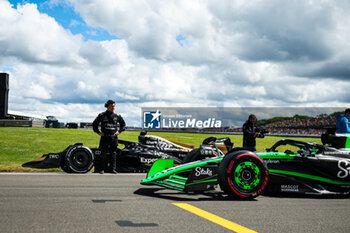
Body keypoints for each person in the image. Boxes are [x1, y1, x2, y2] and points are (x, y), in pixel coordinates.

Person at [92, 100, 126, 174]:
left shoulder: (117, 115)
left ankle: (113, 169)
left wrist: (119, 131)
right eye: (112, 106)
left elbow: (123, 124)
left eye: (114, 106)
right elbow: (94, 124)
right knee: (103, 153)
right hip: (104, 137)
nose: (113, 108)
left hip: (113, 138)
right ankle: (101, 169)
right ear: (108, 106)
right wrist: (98, 132)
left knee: (113, 153)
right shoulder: (102, 115)